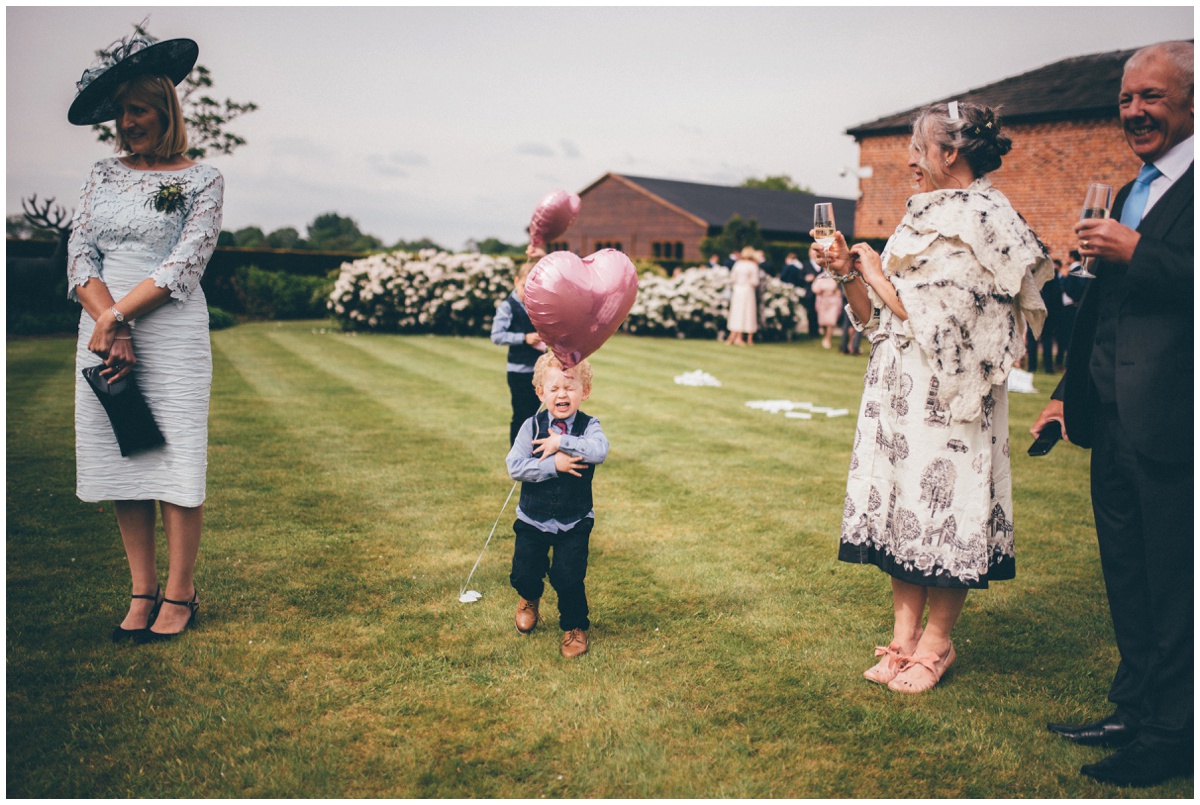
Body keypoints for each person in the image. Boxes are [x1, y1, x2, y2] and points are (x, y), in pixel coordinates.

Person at [822, 101, 1051, 694]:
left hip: (951, 400)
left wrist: (874, 271)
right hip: (898, 392)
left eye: (918, 148)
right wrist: (850, 271)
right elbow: (880, 323)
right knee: (904, 511)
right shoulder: (919, 217)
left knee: (946, 510)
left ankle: (937, 644)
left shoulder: (986, 218)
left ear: (951, 152)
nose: (909, 160)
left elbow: (952, 322)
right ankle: (901, 642)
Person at [1031, 41, 1193, 788]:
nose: (1133, 110)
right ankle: (1133, 706)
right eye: (1127, 98)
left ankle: (1173, 734)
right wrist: (1069, 392)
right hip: (1117, 417)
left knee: (1175, 582)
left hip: (1176, 418)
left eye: (1151, 96)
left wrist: (1139, 252)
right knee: (1127, 572)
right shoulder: (1134, 189)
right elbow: (1100, 304)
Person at [66, 31, 224, 643]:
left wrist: (118, 319)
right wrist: (105, 320)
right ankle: (141, 590)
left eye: (138, 110)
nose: (126, 122)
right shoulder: (100, 173)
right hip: (103, 325)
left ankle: (181, 592)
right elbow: (80, 252)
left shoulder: (203, 179)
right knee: (122, 454)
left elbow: (187, 262)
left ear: (165, 111)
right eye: (122, 112)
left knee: (176, 454)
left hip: (170, 328)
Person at [507, 352, 609, 658]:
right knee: (525, 571)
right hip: (532, 517)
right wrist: (555, 464)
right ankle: (529, 599)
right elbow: (515, 467)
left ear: (584, 392)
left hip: (574, 519)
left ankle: (575, 626)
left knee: (568, 576)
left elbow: (599, 451)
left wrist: (561, 443)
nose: (562, 394)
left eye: (570, 387)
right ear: (541, 393)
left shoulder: (590, 427)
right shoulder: (531, 426)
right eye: (553, 389)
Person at [491, 247, 547, 445]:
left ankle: (536, 449)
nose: (528, 292)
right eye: (525, 286)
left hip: (539, 371)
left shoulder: (539, 305)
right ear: (516, 282)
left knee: (538, 414)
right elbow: (497, 335)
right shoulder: (508, 307)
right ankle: (517, 453)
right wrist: (524, 338)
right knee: (521, 415)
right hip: (518, 371)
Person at [1025, 259, 1062, 373]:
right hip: (1046, 310)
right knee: (1046, 340)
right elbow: (1057, 295)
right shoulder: (1051, 274)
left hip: (1035, 310)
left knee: (1034, 339)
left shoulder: (1032, 272)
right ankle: (1048, 367)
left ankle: (1032, 367)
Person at [1054, 251, 1087, 370]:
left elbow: (1079, 286)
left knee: (1068, 337)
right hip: (1070, 307)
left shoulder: (1076, 269)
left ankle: (1067, 364)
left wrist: (1070, 294)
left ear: (1072, 258)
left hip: (1071, 307)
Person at [724, 246, 760, 346]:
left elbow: (732, 278)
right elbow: (755, 281)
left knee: (737, 312)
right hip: (747, 290)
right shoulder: (753, 265)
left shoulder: (738, 264)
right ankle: (746, 338)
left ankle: (734, 336)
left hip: (737, 290)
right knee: (748, 312)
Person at [809, 269, 842, 349]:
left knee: (831, 321)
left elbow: (839, 289)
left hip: (833, 300)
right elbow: (815, 288)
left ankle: (828, 339)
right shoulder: (820, 277)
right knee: (823, 322)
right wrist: (820, 291)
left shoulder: (836, 277)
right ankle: (825, 335)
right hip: (823, 300)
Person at [801, 244, 823, 336]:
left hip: (821, 292)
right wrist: (806, 278)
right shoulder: (806, 264)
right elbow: (800, 277)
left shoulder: (822, 264)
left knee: (820, 312)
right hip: (810, 292)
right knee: (811, 312)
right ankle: (812, 332)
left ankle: (819, 330)